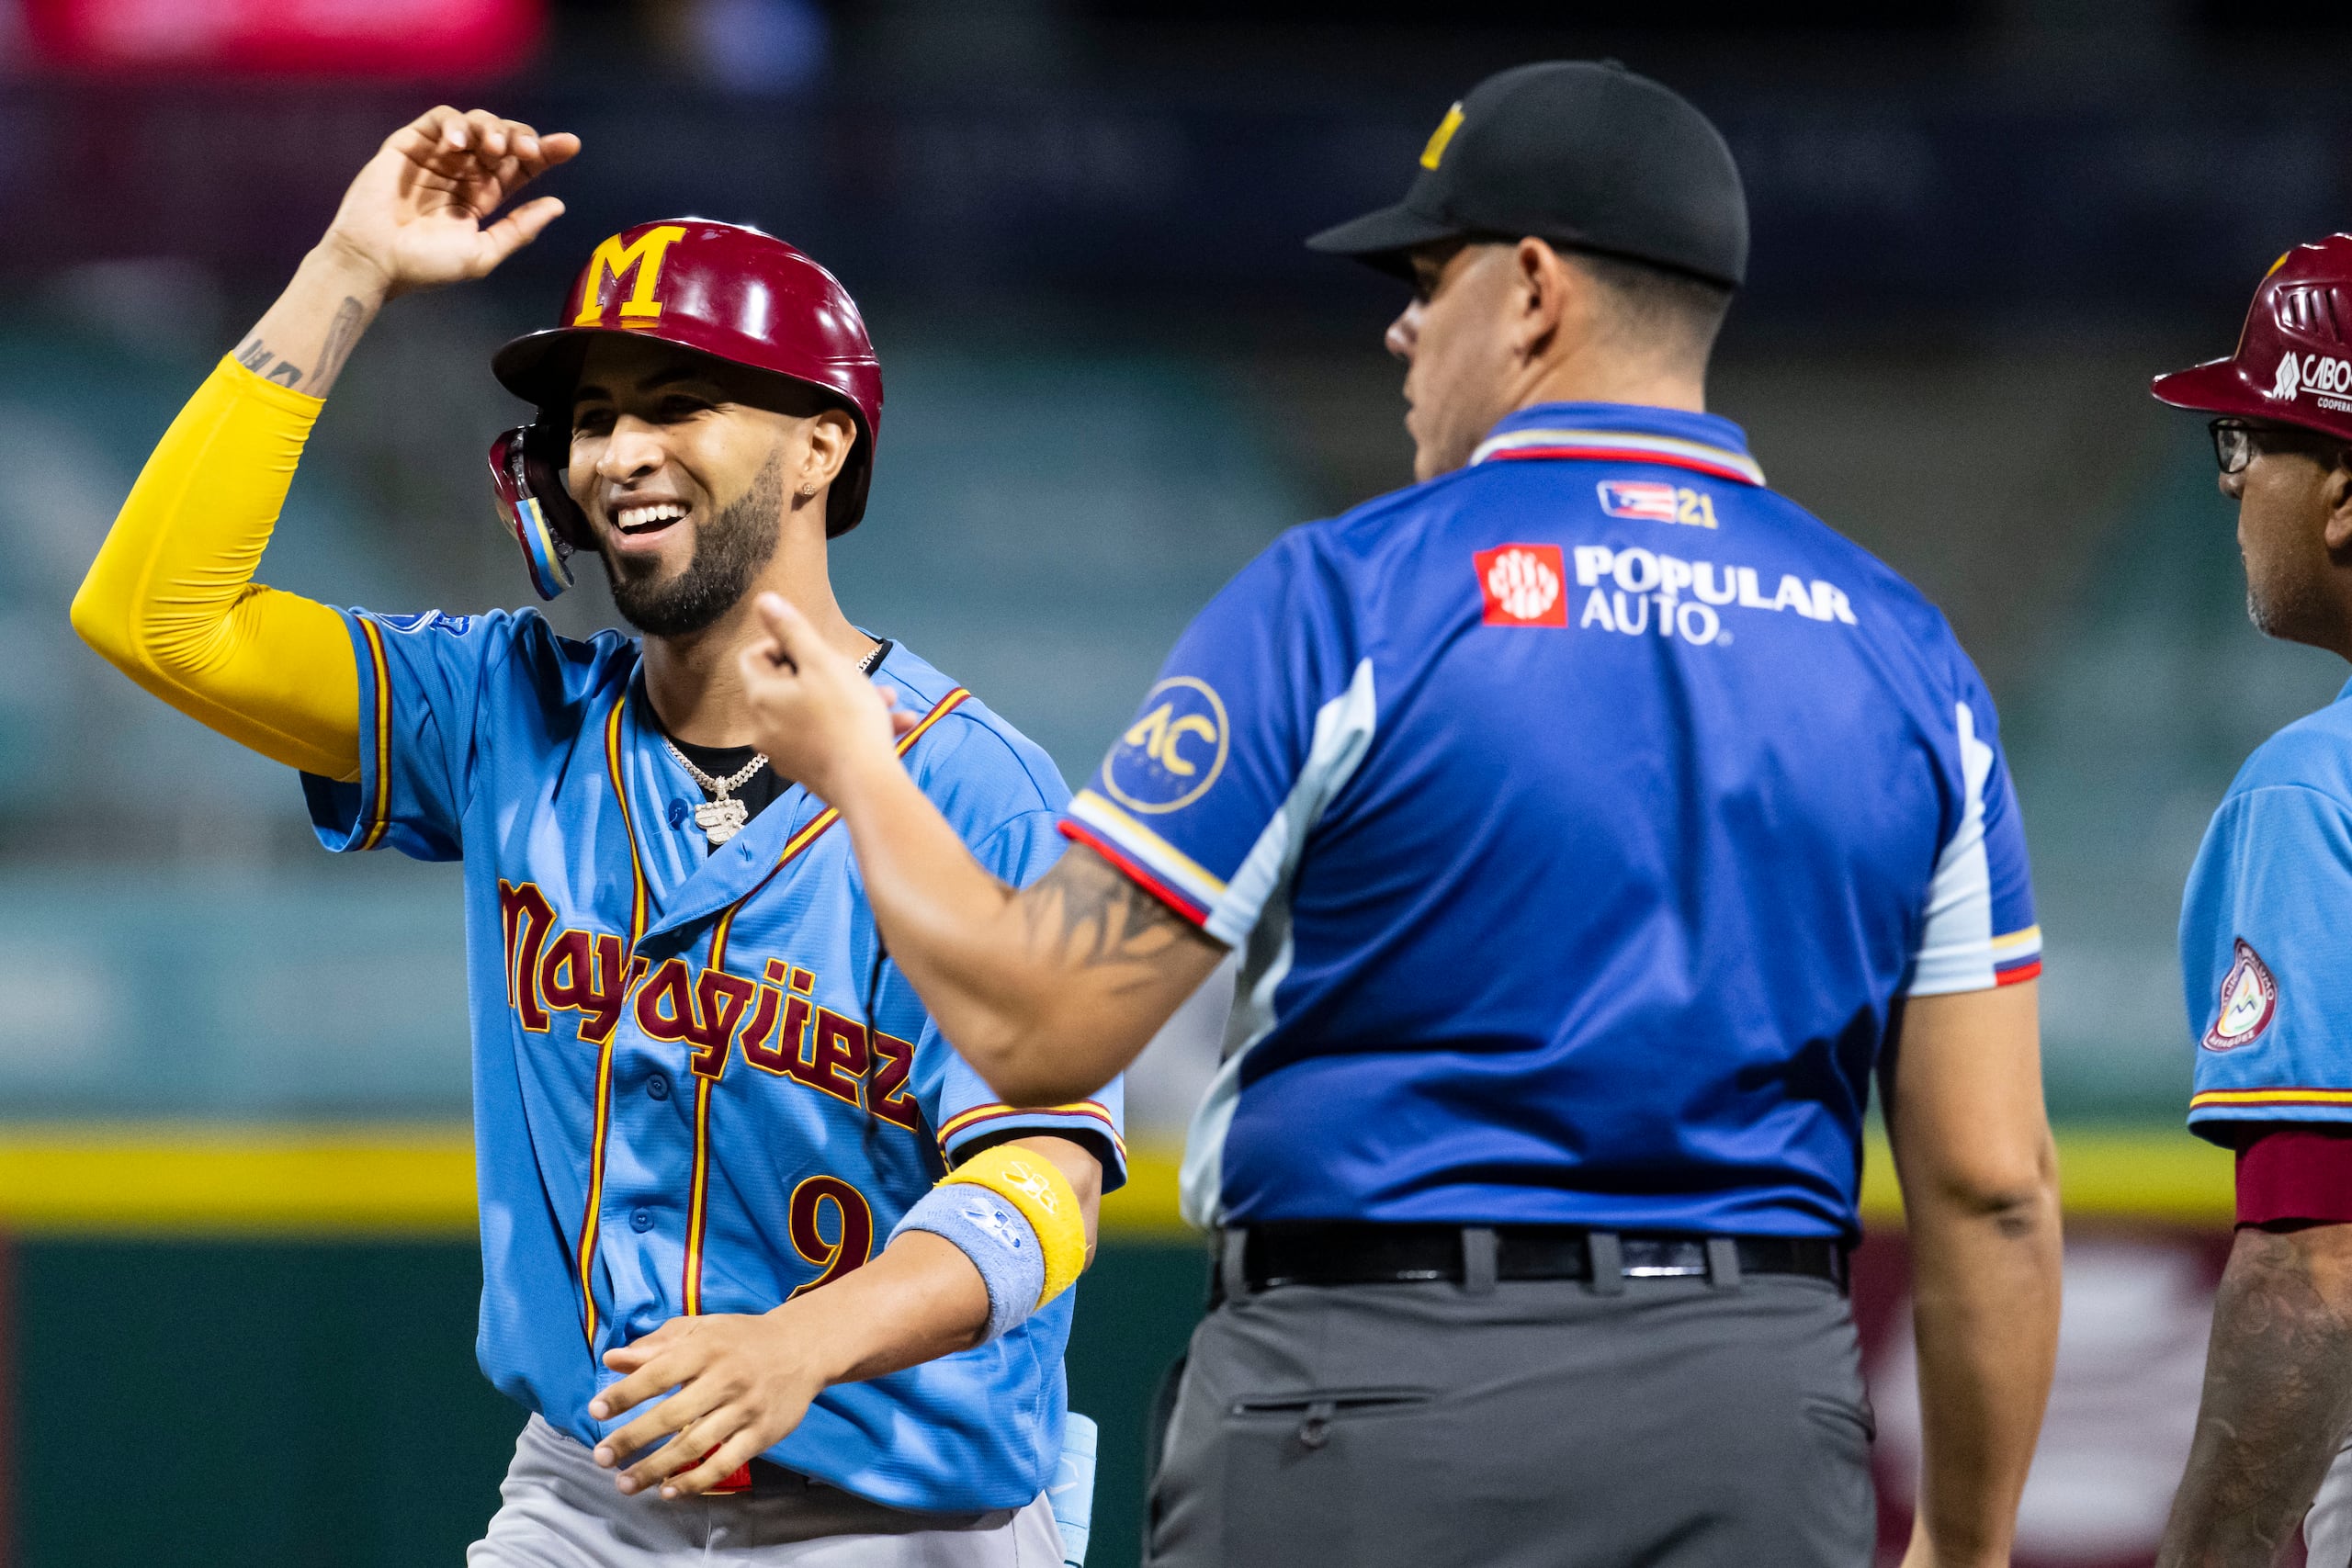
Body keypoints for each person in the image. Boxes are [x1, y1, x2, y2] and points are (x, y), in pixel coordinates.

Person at [724, 60, 2063, 1568]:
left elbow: (1045, 1029)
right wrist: (1966, 1544)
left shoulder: (1349, 598)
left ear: (1536, 290)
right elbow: (1994, 1187)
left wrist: (859, 765)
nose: (1402, 324)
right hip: (1753, 1417)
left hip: (1368, 1402)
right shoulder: (1906, 656)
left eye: (1432, 276)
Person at [70, 106, 1123, 1566]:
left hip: (903, 1511)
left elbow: (1043, 1183)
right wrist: (348, 266)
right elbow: (155, 618)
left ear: (821, 445)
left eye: (677, 401)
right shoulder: (504, 711)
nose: (618, 449)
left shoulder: (970, 790)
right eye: (592, 416)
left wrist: (800, 1346)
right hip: (589, 1491)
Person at [2150, 235, 2352, 1568]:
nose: (2231, 488)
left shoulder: (2315, 792)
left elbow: (2318, 1269)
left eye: (2246, 441)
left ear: (2344, 491)